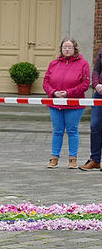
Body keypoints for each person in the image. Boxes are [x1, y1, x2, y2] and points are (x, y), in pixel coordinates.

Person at [43, 38, 90, 169]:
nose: (67, 49)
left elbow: (85, 84)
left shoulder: (83, 64)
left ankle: (73, 158)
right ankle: (54, 157)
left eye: (69, 47)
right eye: (64, 47)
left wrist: (68, 93)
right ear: (61, 49)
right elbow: (46, 82)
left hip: (74, 103)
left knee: (72, 130)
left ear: (75, 49)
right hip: (55, 102)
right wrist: (53, 92)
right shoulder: (53, 63)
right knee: (57, 130)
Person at [78, 44, 102, 171]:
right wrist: (97, 84)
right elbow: (97, 70)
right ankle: (95, 160)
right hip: (100, 94)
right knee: (95, 125)